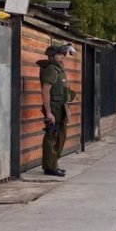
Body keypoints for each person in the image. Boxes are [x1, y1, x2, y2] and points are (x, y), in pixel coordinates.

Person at [37, 42, 76, 176]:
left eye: (62, 54)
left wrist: (67, 107)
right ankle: (50, 167)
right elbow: (45, 91)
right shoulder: (50, 70)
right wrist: (48, 112)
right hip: (53, 108)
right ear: (52, 56)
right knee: (52, 137)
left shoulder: (59, 69)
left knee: (61, 136)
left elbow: (63, 90)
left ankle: (54, 163)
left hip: (61, 108)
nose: (62, 56)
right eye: (59, 54)